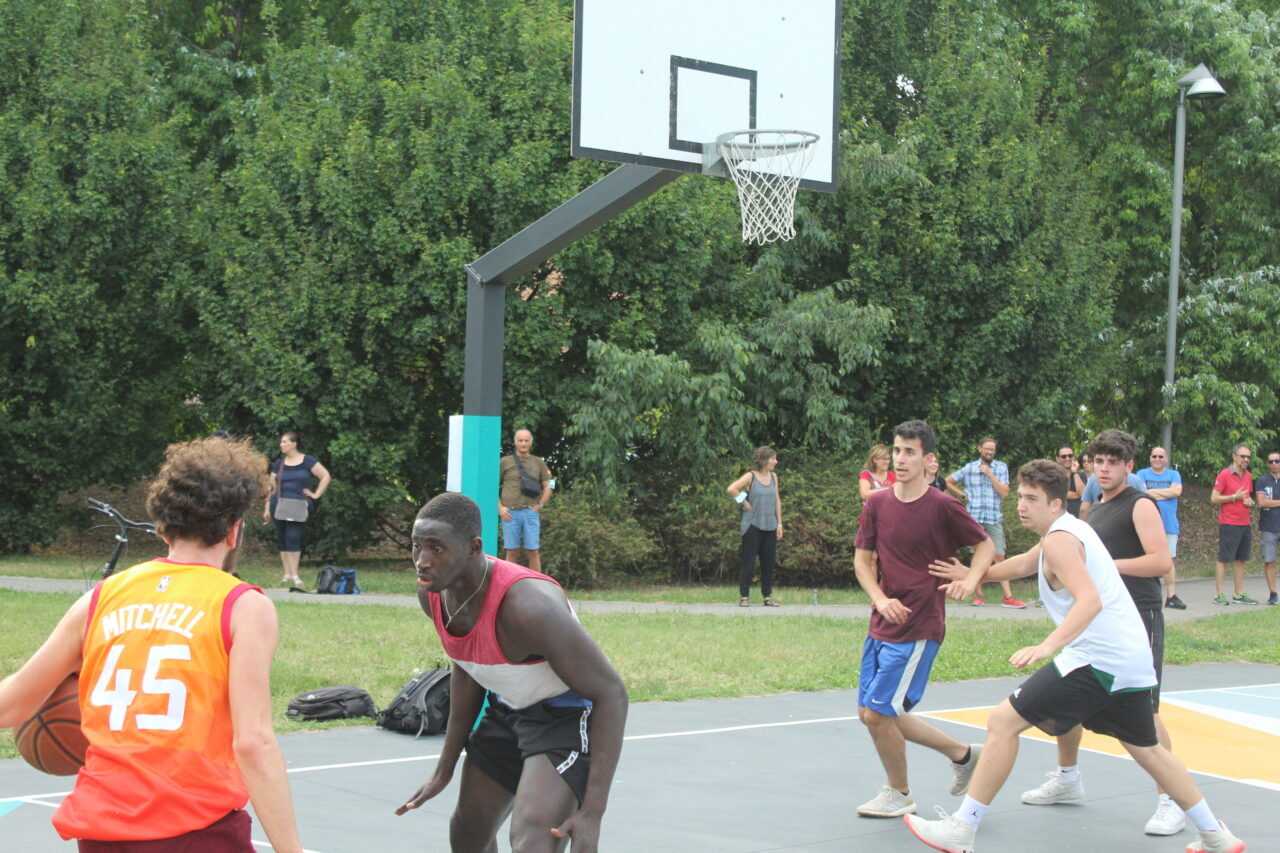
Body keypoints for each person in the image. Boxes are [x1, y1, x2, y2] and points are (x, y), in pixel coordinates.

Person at [910, 460, 1248, 853]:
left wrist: (1047, 646)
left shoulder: (1060, 540)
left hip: (1099, 660)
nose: (1021, 505)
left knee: (1002, 721)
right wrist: (971, 573)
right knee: (1148, 748)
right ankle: (1215, 834)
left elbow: (1090, 601)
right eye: (1020, 496)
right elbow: (1023, 564)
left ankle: (962, 828)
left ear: (1056, 503)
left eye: (1031, 499)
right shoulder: (1066, 530)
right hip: (1129, 659)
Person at [0, 438, 303, 853]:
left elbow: (10, 706)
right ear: (234, 530)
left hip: (101, 832)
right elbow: (253, 743)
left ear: (164, 526)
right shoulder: (242, 606)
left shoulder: (100, 598)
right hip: (192, 828)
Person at [396, 492, 627, 853]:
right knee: (467, 833)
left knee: (533, 839)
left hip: (565, 715)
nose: (422, 561)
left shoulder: (528, 607)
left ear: (473, 548)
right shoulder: (433, 593)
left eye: (436, 549)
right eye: (417, 546)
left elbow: (612, 693)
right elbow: (468, 667)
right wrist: (444, 768)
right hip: (509, 709)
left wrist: (593, 812)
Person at [1020, 430, 1181, 836]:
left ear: (1129, 466)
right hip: (1096, 622)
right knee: (1064, 695)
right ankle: (1067, 778)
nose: (1104, 469)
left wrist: (1105, 566)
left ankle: (1171, 801)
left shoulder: (1139, 504)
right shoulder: (1094, 510)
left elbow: (1161, 561)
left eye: (1113, 462)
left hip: (1136, 617)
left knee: (1148, 713)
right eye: (1098, 461)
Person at [852, 420, 995, 819]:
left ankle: (899, 793)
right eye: (897, 450)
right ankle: (963, 755)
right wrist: (880, 599)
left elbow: (985, 546)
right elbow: (862, 561)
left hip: (919, 624)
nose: (900, 459)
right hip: (882, 620)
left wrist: (970, 578)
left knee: (880, 712)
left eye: (910, 452)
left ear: (927, 459)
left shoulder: (943, 506)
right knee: (870, 713)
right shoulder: (877, 504)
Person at [945, 438, 1027, 607]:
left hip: (993, 517)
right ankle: (979, 596)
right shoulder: (969, 468)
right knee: (978, 556)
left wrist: (990, 474)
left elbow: (1005, 493)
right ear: (979, 449)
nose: (989, 452)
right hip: (974, 517)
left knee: (1000, 556)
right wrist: (962, 495)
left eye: (992, 449)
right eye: (987, 449)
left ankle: (1008, 597)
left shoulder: (1001, 468)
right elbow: (947, 481)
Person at [262, 431, 331, 587]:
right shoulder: (279, 463)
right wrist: (267, 508)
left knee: (293, 537)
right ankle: (287, 574)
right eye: (281, 442)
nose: (281, 444)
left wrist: (316, 494)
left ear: (294, 444)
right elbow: (271, 487)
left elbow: (325, 476)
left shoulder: (308, 461)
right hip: (278, 504)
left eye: (284, 442)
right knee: (282, 538)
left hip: (298, 504)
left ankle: (295, 574)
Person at [727, 446, 784, 606]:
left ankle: (767, 597)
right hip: (752, 525)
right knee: (749, 562)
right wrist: (743, 502)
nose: (776, 461)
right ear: (764, 460)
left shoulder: (774, 477)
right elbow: (731, 489)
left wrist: (779, 523)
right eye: (773, 458)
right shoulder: (750, 476)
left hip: (770, 525)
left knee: (768, 563)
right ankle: (744, 597)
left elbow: (777, 500)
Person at [498, 428, 554, 574]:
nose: (523, 443)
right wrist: (500, 508)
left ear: (531, 442)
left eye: (526, 440)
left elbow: (550, 485)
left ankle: (537, 583)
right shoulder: (504, 462)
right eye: (520, 440)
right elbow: (491, 485)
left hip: (531, 512)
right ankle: (508, 582)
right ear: (515, 442)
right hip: (510, 513)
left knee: (533, 551)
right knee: (511, 551)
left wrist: (541, 505)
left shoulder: (539, 462)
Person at [1137, 446, 1186, 609]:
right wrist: (1167, 491)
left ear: (1166, 459)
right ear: (1150, 458)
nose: (1157, 459)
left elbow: (1177, 492)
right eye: (1154, 456)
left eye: (1160, 457)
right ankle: (1146, 595)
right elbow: (1141, 493)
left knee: (1168, 559)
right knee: (1146, 559)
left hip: (1169, 524)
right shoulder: (1142, 474)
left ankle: (1171, 596)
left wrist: (1152, 491)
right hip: (1147, 524)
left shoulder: (1174, 474)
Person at [1211, 444, 1256, 605]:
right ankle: (1219, 595)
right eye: (1243, 456)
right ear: (1234, 456)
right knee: (1224, 558)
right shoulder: (1224, 474)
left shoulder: (1248, 476)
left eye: (1248, 457)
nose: (1246, 459)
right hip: (1229, 523)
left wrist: (1249, 501)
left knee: (1241, 559)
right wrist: (1233, 497)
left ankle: (1238, 594)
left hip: (1245, 522)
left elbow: (1246, 497)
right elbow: (1214, 498)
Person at [1253, 451, 1280, 606]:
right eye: (1271, 462)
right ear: (1267, 464)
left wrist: (1273, 502)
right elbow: (1261, 502)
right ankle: (1273, 593)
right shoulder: (1262, 480)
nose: (1274, 464)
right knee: (1270, 560)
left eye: (1277, 461)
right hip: (1269, 526)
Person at [1077, 466, 1145, 520]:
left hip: (1099, 523)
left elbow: (1084, 509)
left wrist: (1083, 530)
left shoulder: (1094, 478)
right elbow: (1144, 507)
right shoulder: (1136, 479)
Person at [1056, 445, 1086, 517]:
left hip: (1078, 519)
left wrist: (1075, 472)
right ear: (1057, 459)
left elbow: (1083, 494)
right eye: (1064, 456)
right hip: (1059, 519)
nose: (1067, 458)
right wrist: (1077, 495)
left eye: (1070, 456)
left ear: (1074, 457)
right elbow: (1053, 494)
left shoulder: (1082, 475)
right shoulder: (1053, 477)